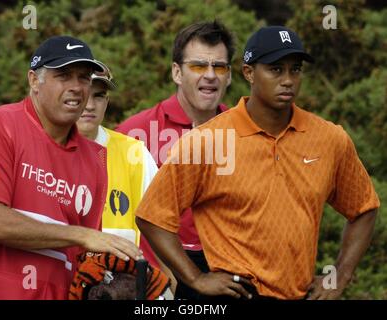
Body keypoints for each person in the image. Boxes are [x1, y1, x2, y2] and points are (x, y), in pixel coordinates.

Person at [134, 26, 380, 300]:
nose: (288, 80)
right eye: (276, 69)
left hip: (299, 294)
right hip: (233, 294)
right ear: (249, 73)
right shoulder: (206, 141)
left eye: (295, 69)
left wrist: (339, 277)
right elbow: (151, 216)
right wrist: (196, 279)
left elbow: (364, 209)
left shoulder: (330, 138)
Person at [0, 35, 142, 299]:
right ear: (34, 80)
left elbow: (81, 255)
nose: (77, 87)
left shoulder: (96, 159)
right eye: (64, 76)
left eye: (84, 78)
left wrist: (104, 279)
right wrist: (81, 235)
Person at [116, 20, 234, 299]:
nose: (210, 75)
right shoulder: (135, 133)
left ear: (229, 76)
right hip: (156, 276)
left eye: (219, 67)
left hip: (228, 275)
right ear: (177, 73)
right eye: (197, 66)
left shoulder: (246, 132)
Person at [75, 62, 175, 295]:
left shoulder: (135, 152)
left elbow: (161, 224)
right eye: (84, 94)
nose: (90, 105)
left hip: (125, 287)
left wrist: (169, 283)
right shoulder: (42, 149)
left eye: (99, 96)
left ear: (107, 102)